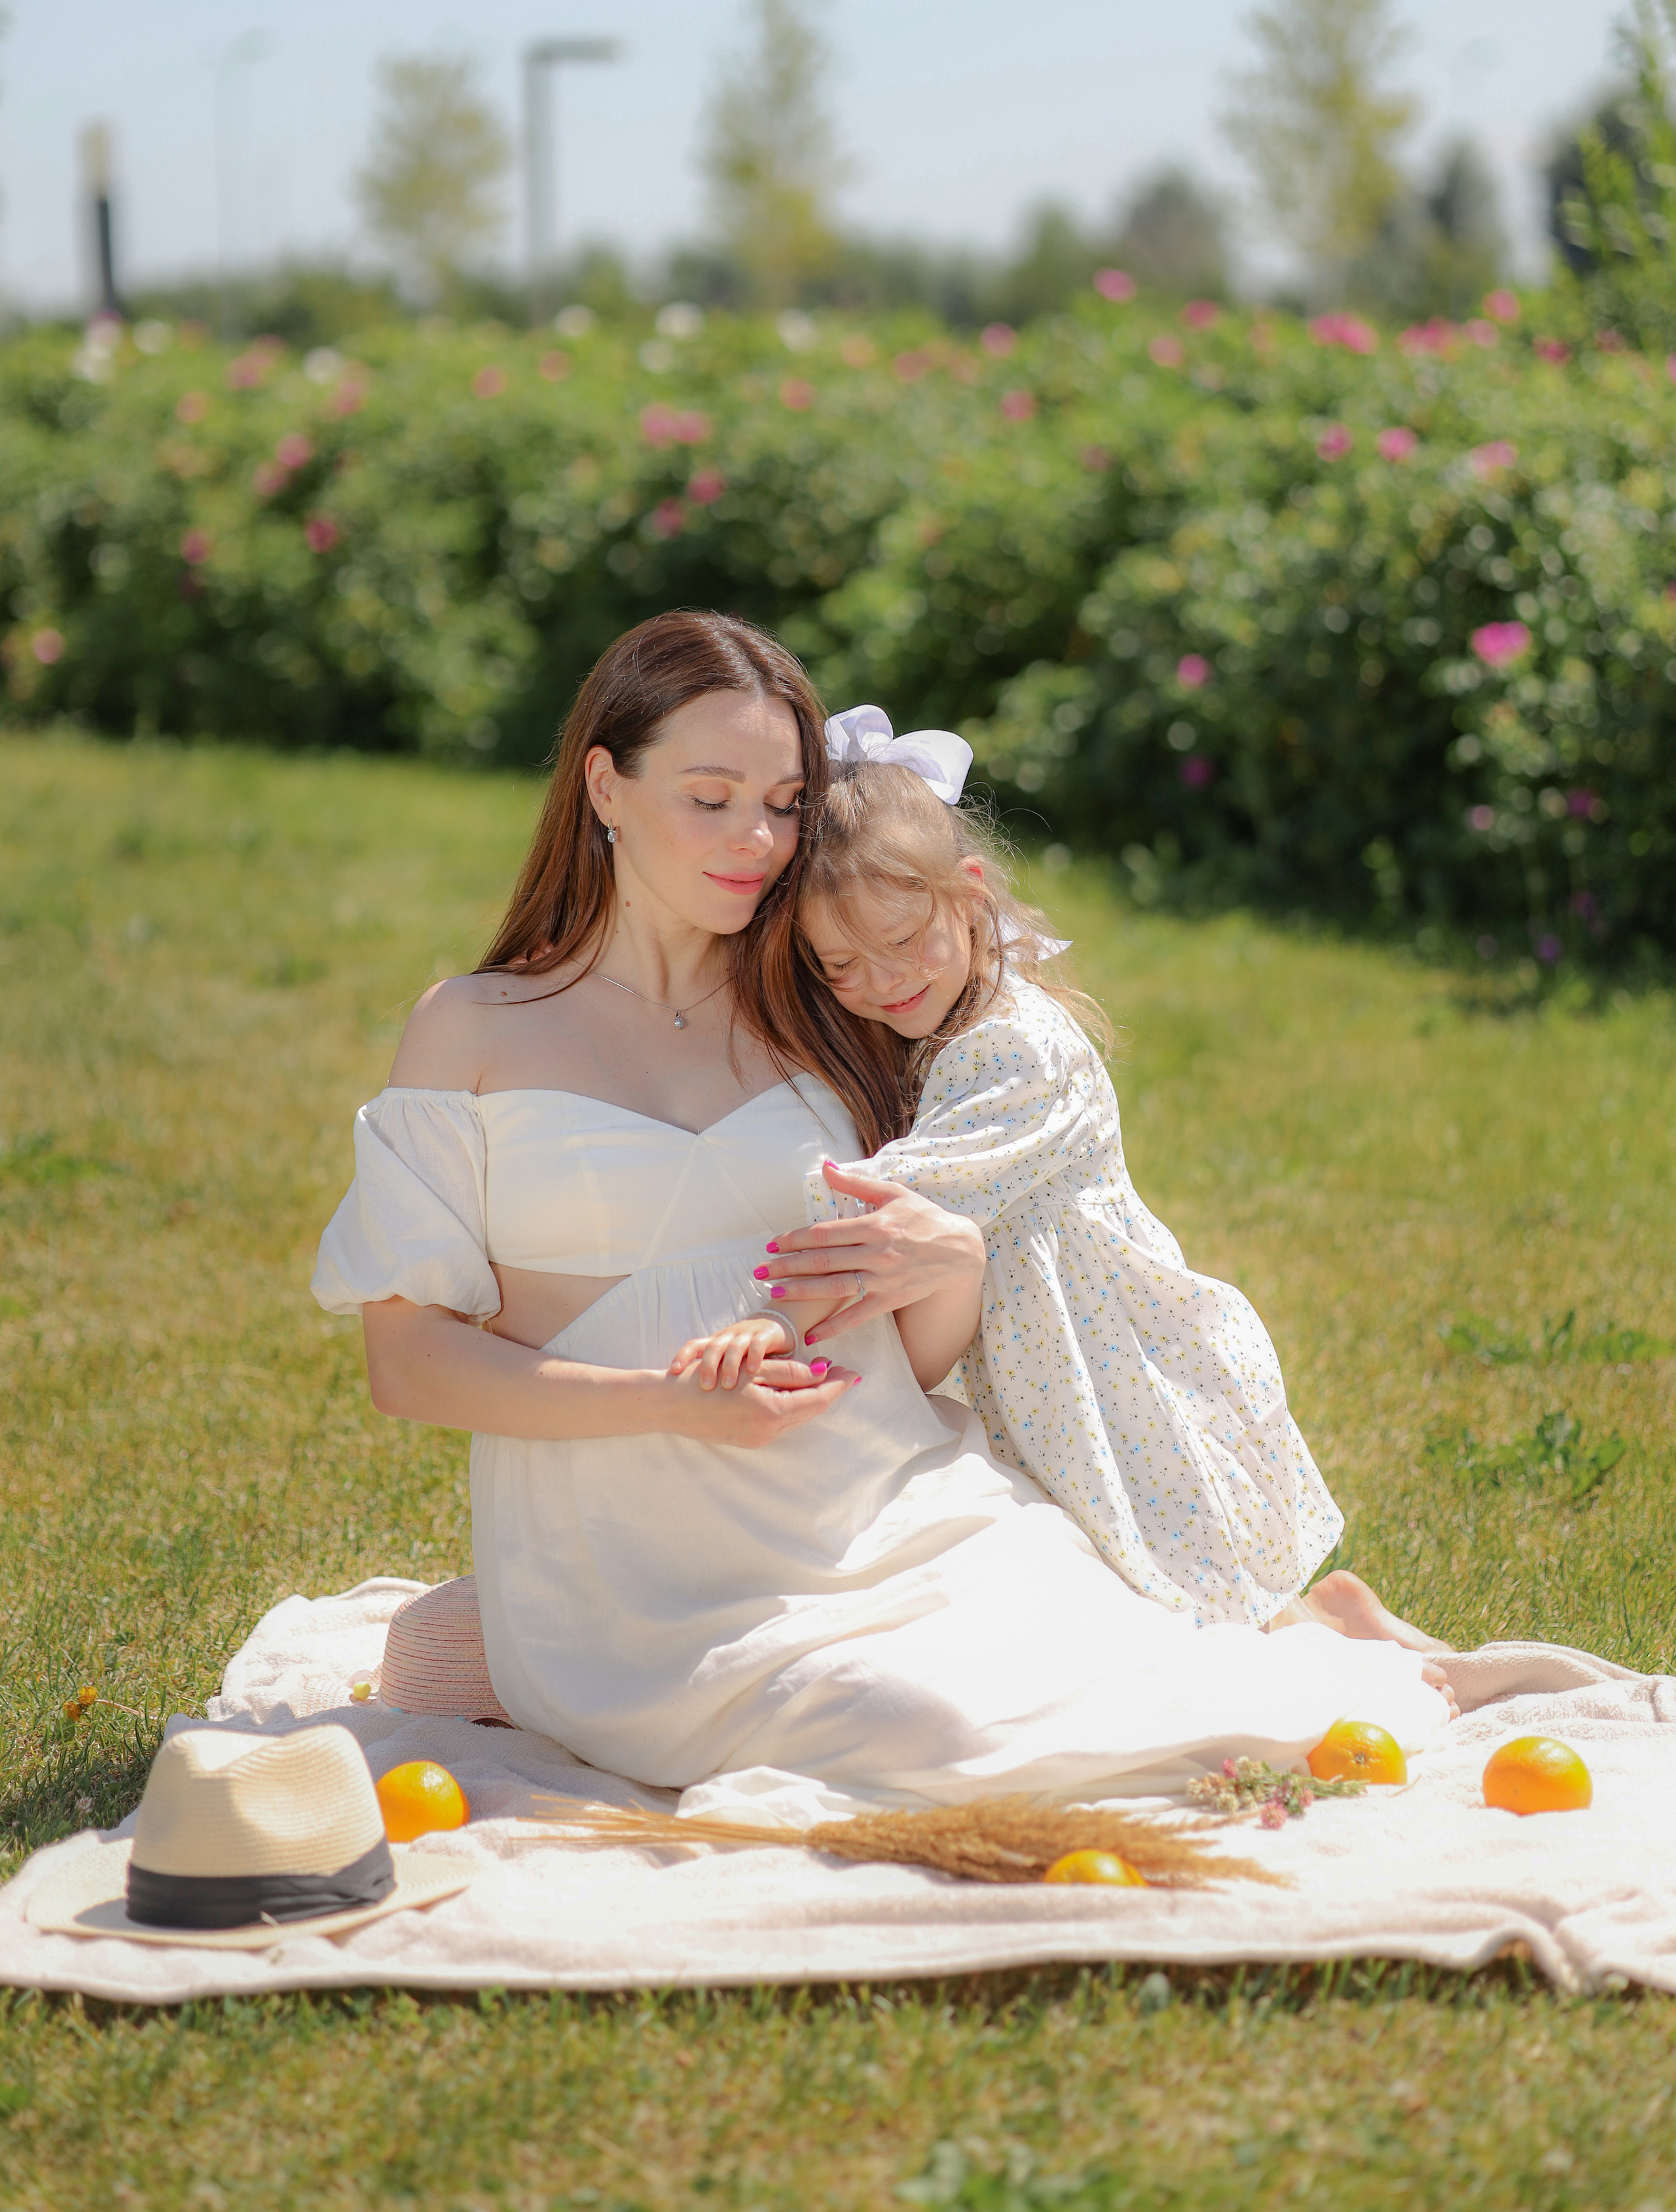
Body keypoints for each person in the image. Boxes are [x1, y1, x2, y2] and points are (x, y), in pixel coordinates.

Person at [314, 613, 1449, 1823]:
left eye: (786, 801)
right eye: (710, 798)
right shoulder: (476, 1027)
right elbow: (408, 1362)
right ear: (605, 782)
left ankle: (1312, 1635)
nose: (758, 840)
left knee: (1146, 1683)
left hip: (891, 1490)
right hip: (644, 1554)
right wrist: (667, 1400)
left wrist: (951, 1263)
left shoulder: (830, 1001)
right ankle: (490, 1641)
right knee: (935, 1729)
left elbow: (907, 1343)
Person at [710, 707, 1442, 1651]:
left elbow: (900, 1197)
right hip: (1053, 1357)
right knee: (1142, 1579)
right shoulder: (950, 1025)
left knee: (1165, 1584)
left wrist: (771, 1308)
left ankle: (1386, 1655)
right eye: (841, 965)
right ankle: (1323, 1621)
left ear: (970, 897)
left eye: (904, 942)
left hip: (1108, 1362)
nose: (882, 982)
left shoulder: (1013, 1048)